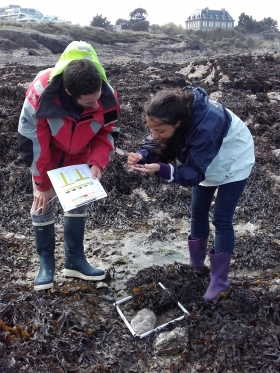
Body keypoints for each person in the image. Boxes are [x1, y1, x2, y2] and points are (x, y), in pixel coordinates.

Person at [127, 86, 255, 300]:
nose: (154, 134)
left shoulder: (206, 126)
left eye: (159, 130)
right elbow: (157, 141)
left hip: (234, 160)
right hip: (205, 160)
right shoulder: (173, 112)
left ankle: (219, 280)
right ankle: (196, 265)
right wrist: (142, 155)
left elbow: (194, 173)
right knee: (197, 211)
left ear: (177, 124)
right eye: (151, 129)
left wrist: (165, 169)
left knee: (222, 219)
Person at [18, 41, 120, 291]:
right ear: (69, 92)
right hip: (47, 154)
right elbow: (31, 140)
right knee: (42, 206)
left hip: (80, 154)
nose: (96, 106)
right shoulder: (41, 93)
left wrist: (97, 162)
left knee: (78, 202)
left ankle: (75, 261)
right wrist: (42, 184)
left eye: (97, 99)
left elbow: (107, 133)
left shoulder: (106, 97)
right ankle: (46, 265)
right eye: (88, 103)